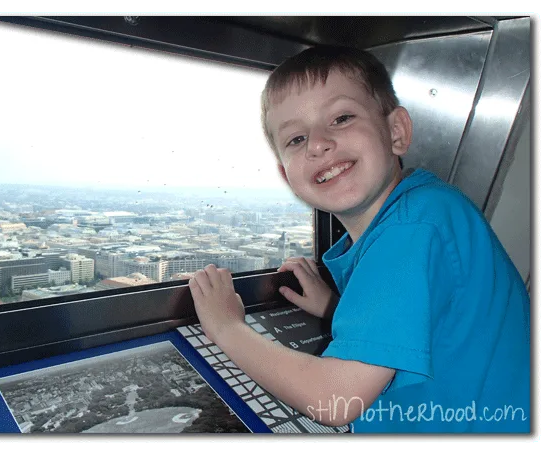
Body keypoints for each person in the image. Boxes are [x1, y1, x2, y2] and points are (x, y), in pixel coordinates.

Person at [188, 45, 530, 433]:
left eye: (341, 117)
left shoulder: (410, 230)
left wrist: (226, 327)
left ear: (396, 132)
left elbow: (335, 399)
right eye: (297, 139)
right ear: (288, 176)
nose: (318, 143)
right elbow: (424, 322)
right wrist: (338, 308)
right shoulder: (422, 211)